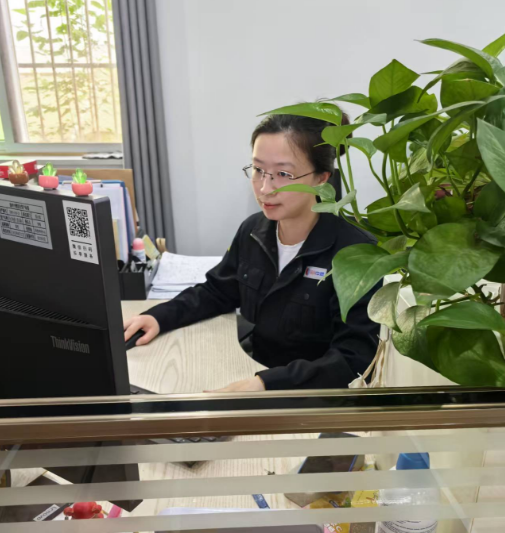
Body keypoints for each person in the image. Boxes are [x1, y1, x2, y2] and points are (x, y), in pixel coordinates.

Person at [124, 112, 381, 392]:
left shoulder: (356, 253)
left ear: (322, 179)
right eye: (258, 170)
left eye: (283, 174)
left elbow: (353, 359)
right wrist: (159, 317)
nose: (265, 188)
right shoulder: (254, 230)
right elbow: (217, 291)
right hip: (252, 370)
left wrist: (265, 384)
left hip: (312, 397)